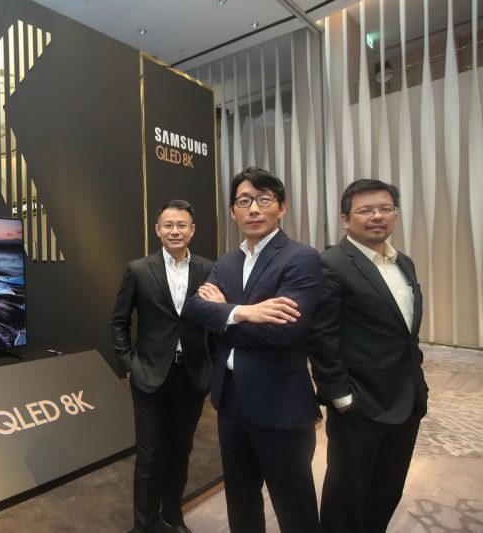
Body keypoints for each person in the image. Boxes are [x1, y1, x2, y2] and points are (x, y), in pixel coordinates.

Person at [181, 166, 322, 533]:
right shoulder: (227, 261)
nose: (254, 209)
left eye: (264, 199)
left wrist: (224, 314)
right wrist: (245, 312)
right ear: (233, 211)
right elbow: (194, 310)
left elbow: (284, 332)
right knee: (241, 500)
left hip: (280, 404)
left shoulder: (301, 257)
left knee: (294, 507)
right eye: (244, 201)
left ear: (282, 207)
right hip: (230, 402)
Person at [309, 179, 428, 533]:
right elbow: (322, 337)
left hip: (406, 401)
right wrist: (342, 398)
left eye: (385, 209)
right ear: (346, 219)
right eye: (365, 210)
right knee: (346, 498)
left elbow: (405, 332)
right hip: (359, 406)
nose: (377, 216)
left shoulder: (403, 262)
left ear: (395, 214)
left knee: (386, 492)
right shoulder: (331, 263)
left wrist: (419, 385)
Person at [111, 199, 213, 533]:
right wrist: (128, 364)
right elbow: (119, 321)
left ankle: (172, 514)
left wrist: (212, 365)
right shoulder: (138, 269)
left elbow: (215, 320)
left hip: (192, 375)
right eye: (168, 225)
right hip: (149, 375)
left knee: (181, 450)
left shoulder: (208, 269)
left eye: (182, 225)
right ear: (158, 230)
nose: (175, 231)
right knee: (150, 455)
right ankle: (145, 524)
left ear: (192, 230)